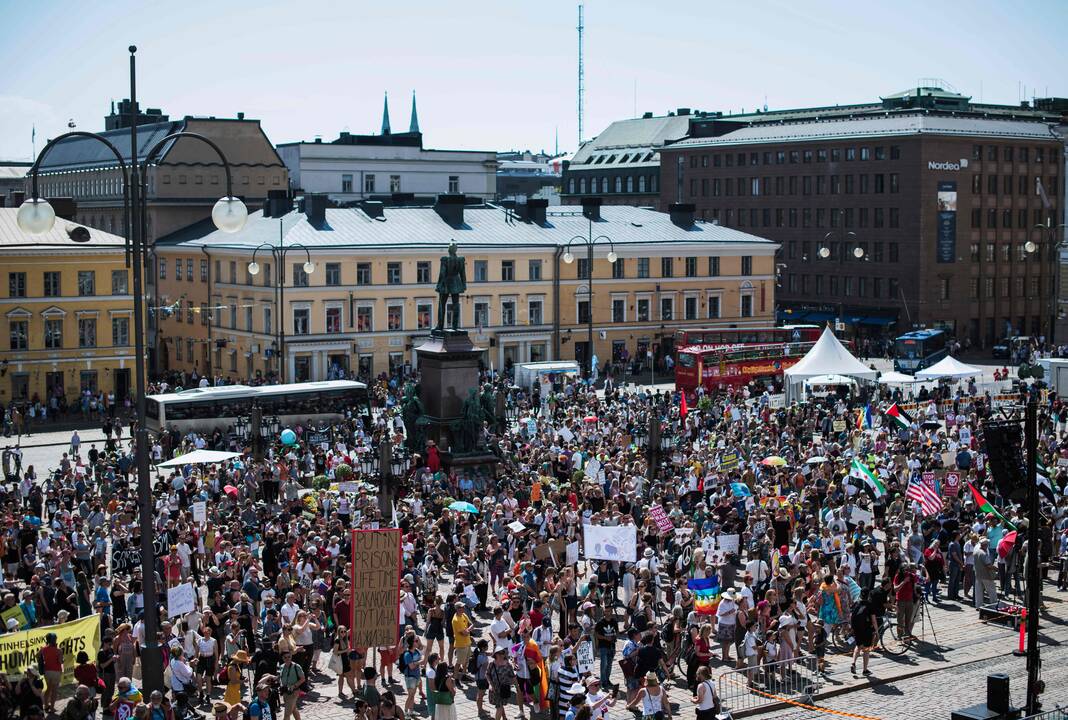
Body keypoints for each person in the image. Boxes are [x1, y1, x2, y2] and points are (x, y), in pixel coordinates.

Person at [849, 589, 878, 676]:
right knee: (866, 650)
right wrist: (876, 631)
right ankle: (865, 670)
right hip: (867, 629)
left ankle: (853, 663)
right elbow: (873, 620)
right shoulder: (870, 605)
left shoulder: (856, 603)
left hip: (857, 629)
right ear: (868, 595)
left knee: (858, 646)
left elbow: (851, 616)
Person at [37, 632, 63, 713]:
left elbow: (37, 656)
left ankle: (46, 706)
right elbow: (60, 661)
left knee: (48, 689)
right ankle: (52, 708)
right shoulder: (59, 650)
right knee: (54, 690)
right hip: (56, 671)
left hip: (47, 671)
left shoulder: (43, 649)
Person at [278, 650, 306, 720]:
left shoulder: (296, 667)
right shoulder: (281, 667)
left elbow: (303, 679)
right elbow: (281, 678)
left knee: (287, 714)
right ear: (282, 658)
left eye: (289, 657)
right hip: (285, 692)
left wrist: (294, 686)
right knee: (293, 709)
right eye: (285, 657)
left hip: (294, 692)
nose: (287, 659)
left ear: (291, 657)